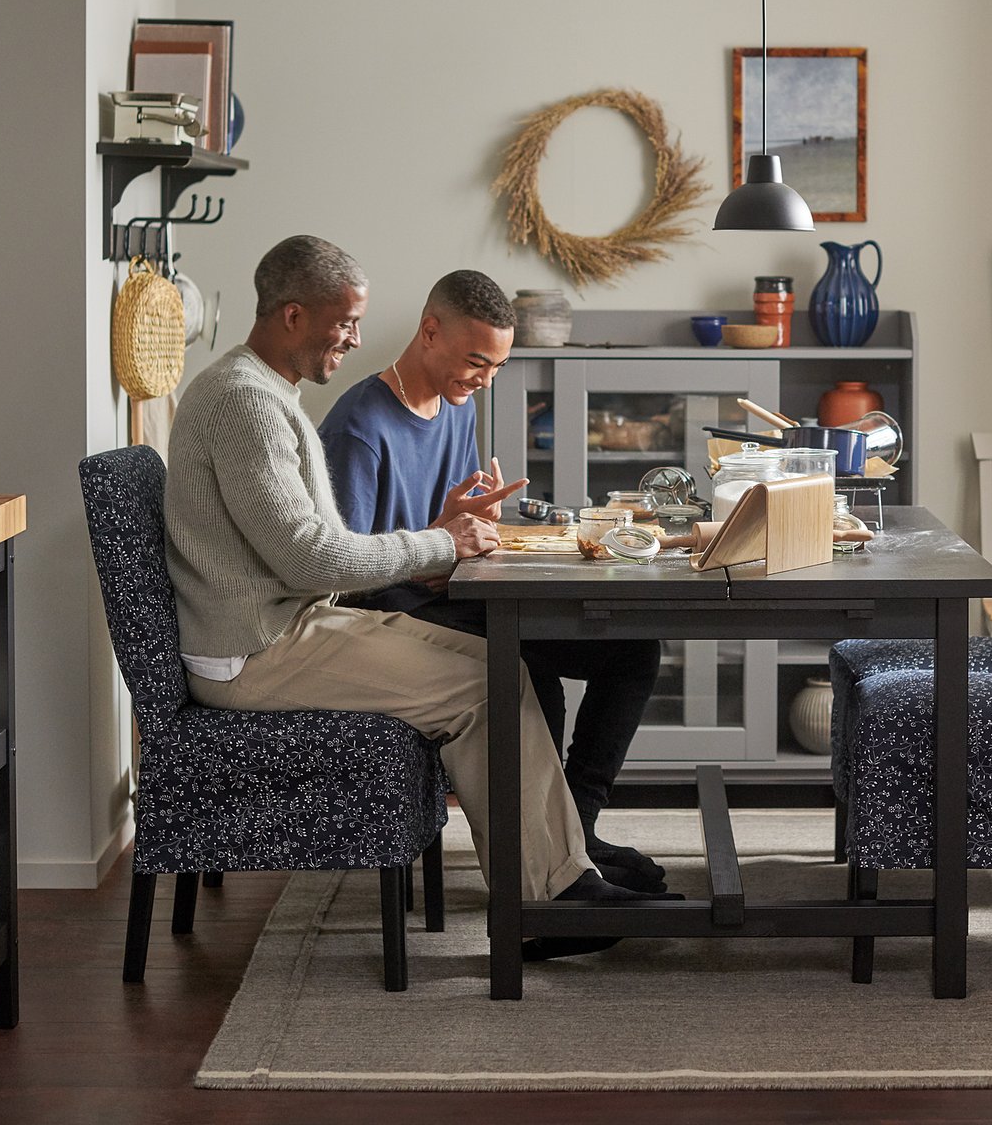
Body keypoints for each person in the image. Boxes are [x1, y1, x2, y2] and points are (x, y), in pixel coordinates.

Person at [165, 236, 674, 962]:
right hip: (256, 651)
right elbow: (314, 559)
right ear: (290, 314)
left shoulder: (262, 394)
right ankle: (549, 900)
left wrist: (443, 538)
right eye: (343, 322)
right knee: (485, 684)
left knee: (501, 667)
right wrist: (443, 544)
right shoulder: (246, 404)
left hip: (287, 629)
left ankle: (560, 876)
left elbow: (312, 559)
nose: (356, 339)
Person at [319, 269, 667, 893]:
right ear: (430, 331)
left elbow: (451, 525)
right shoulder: (358, 429)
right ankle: (547, 863)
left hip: (456, 590)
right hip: (391, 616)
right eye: (477, 362)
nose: (484, 380)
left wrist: (473, 523)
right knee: (534, 671)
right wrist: (440, 542)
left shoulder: (457, 404)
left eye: (498, 367)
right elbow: (340, 579)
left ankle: (575, 835)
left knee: (633, 650)